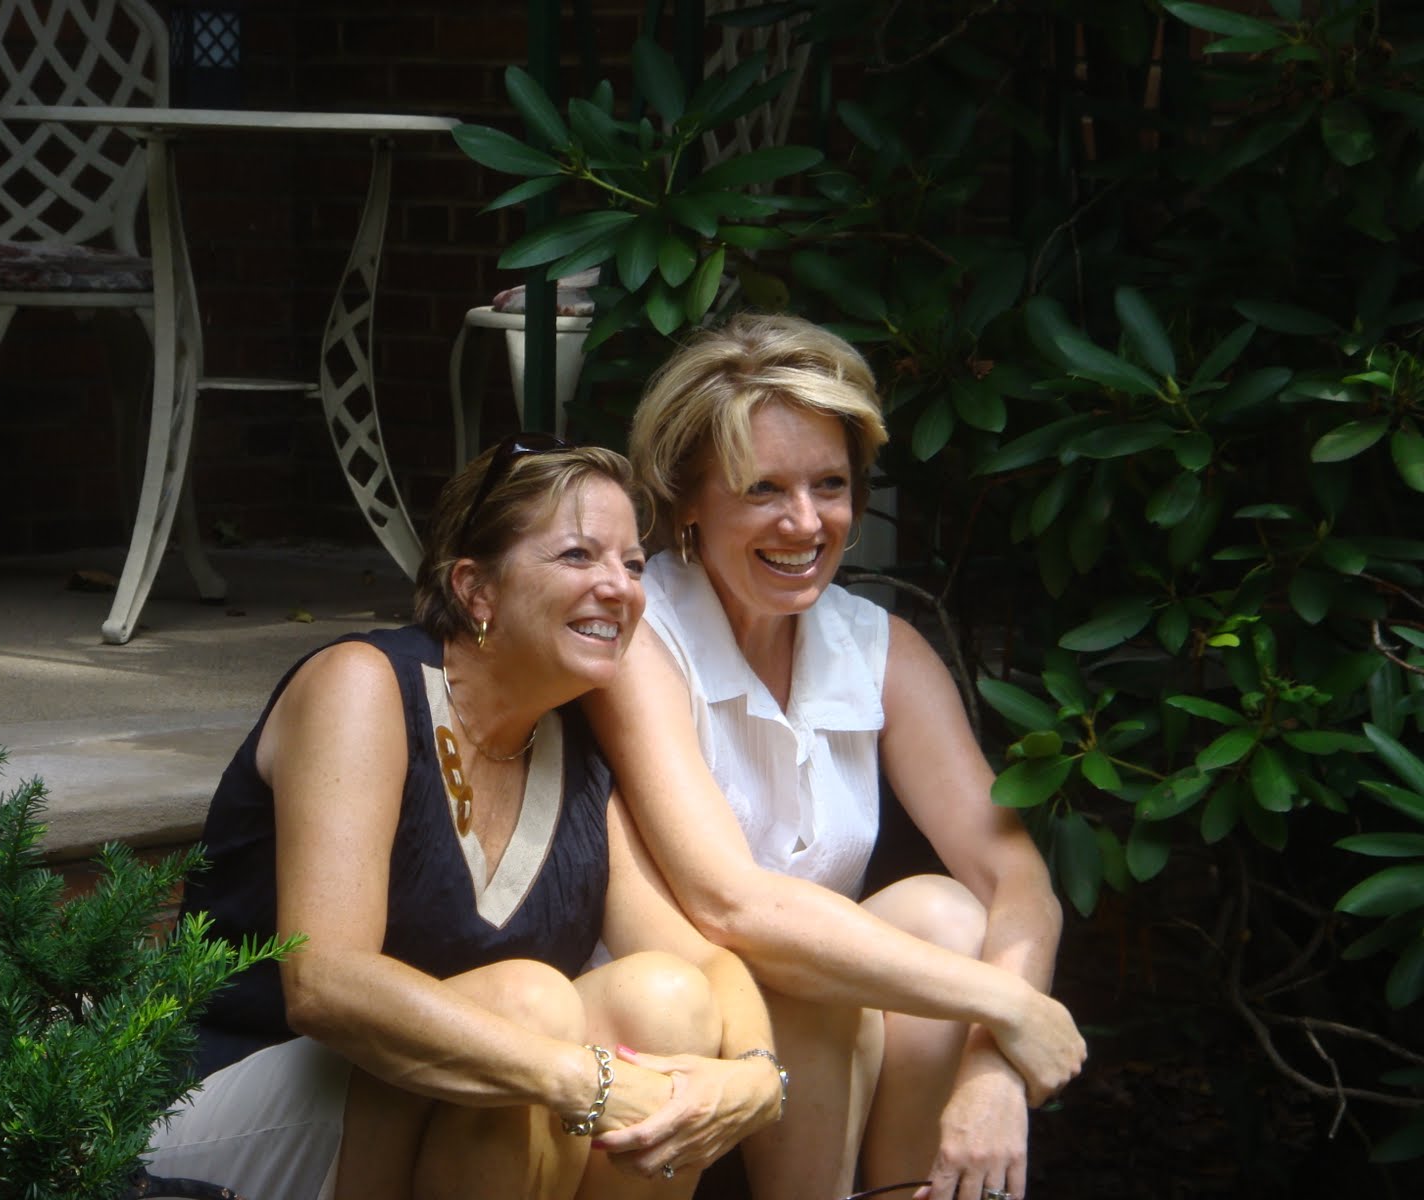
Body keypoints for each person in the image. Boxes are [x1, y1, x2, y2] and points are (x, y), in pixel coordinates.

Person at [145, 438, 785, 1200]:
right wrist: (581, 1079)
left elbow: (704, 964)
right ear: (476, 590)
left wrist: (757, 1076)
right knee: (531, 1007)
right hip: (227, 1106)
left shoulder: (572, 742)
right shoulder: (363, 687)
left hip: (417, 1117)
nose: (620, 588)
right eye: (579, 555)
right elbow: (325, 982)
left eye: (634, 564)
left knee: (666, 1000)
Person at [582, 314, 1086, 1200]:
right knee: (819, 983)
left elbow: (1017, 881)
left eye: (831, 485)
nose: (806, 522)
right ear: (687, 500)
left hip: (827, 1040)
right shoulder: (640, 637)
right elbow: (732, 904)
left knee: (945, 912)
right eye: (763, 489)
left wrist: (994, 1069)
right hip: (672, 1025)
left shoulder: (879, 648)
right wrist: (1010, 1005)